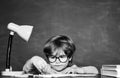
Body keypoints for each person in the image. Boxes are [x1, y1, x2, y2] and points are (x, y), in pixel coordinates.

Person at [23, 35, 98, 74]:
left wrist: (81, 70)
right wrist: (33, 59)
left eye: (62, 57)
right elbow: (26, 69)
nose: (57, 61)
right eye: (52, 57)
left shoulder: (72, 69)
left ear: (69, 57)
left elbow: (95, 70)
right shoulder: (45, 68)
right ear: (48, 57)